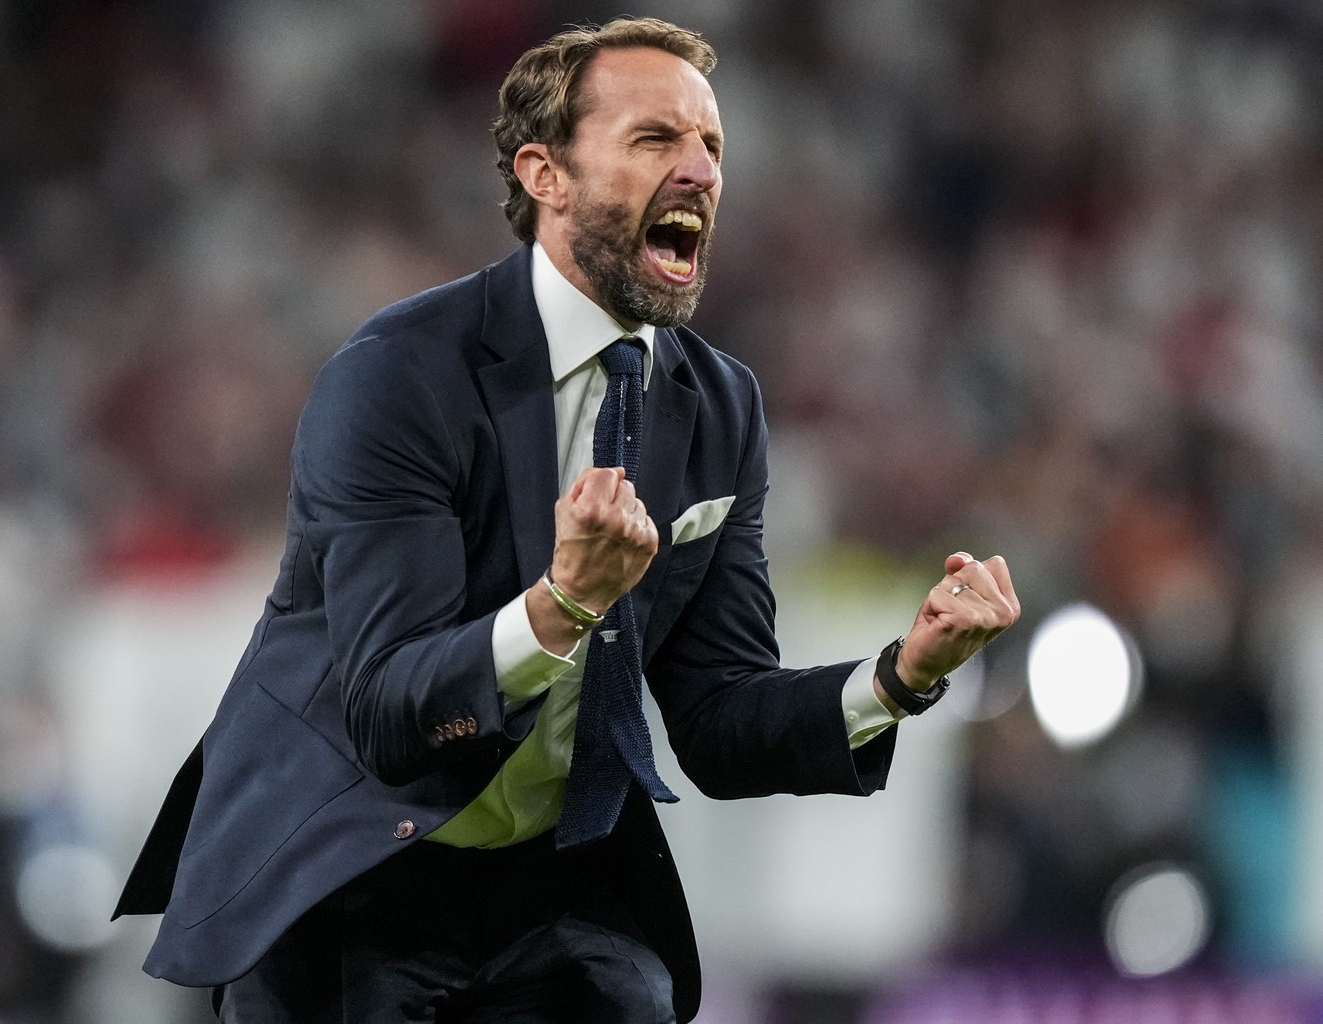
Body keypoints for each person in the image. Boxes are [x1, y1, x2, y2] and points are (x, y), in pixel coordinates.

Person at [113, 16, 1020, 1023]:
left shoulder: (719, 408)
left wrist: (902, 675)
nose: (699, 172)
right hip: (351, 868)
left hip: (559, 893)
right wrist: (562, 605)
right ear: (546, 175)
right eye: (653, 140)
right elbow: (388, 709)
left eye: (711, 146)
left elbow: (717, 717)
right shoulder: (398, 377)